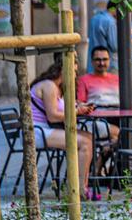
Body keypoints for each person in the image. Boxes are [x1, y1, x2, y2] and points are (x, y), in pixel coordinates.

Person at [29, 58, 97, 199]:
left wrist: (78, 107)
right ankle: (78, 188)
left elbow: (63, 110)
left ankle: (82, 186)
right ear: (63, 70)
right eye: (73, 71)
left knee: (89, 137)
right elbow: (53, 116)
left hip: (46, 129)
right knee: (84, 142)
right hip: (38, 132)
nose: (75, 75)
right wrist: (77, 112)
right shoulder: (49, 86)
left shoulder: (56, 87)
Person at [87, 5, 118, 71]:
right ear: (114, 9)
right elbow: (115, 47)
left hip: (93, 62)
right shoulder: (110, 22)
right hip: (106, 64)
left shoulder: (94, 18)